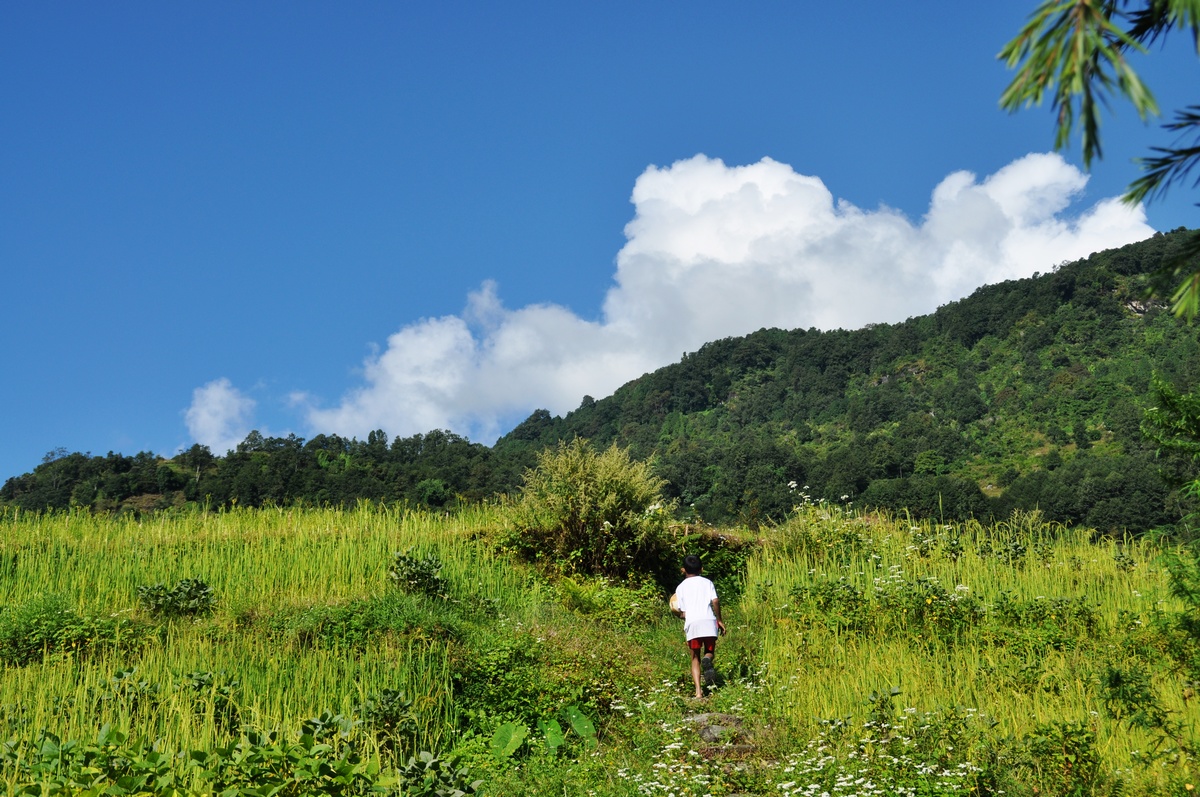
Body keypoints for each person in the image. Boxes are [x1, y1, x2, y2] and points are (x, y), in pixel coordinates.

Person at [672, 554, 726, 699]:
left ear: (683, 570)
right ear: (701, 569)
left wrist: (682, 615)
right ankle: (707, 659)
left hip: (693, 623)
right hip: (709, 620)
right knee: (709, 651)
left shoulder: (680, 587)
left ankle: (698, 693)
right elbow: (715, 601)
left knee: (695, 657)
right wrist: (719, 620)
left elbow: (681, 612)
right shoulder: (707, 582)